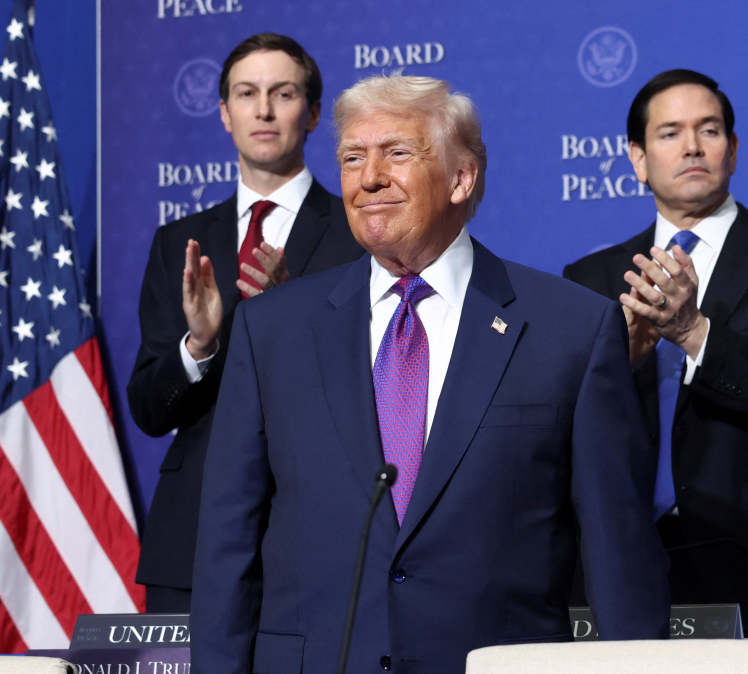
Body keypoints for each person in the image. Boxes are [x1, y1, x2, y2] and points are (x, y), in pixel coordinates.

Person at [190, 75, 669, 674]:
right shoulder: (272, 330)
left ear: (461, 178)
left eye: (396, 153)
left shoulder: (571, 328)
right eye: (352, 158)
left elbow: (618, 549)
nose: (369, 178)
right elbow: (227, 543)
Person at [563, 69, 748, 636]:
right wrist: (617, 365)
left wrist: (695, 331)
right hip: (620, 563)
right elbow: (563, 424)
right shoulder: (591, 277)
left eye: (710, 130)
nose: (692, 146)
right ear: (638, 159)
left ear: (733, 149)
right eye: (670, 132)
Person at [129, 33, 364, 613]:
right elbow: (150, 410)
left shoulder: (360, 233)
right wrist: (198, 345)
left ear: (313, 114)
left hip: (319, 531)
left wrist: (293, 315)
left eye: (282, 94)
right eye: (246, 93)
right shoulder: (178, 242)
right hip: (193, 537)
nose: (263, 110)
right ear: (224, 113)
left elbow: (379, 388)